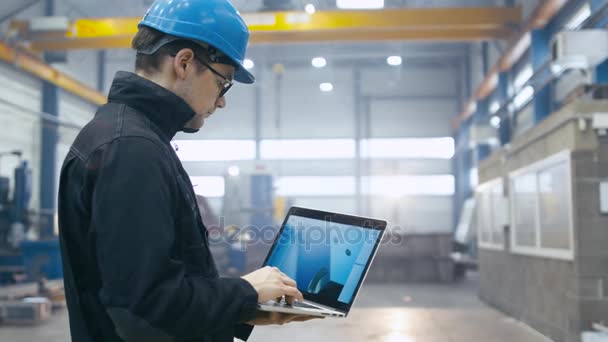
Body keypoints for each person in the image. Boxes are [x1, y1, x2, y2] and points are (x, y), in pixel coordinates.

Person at [57, 0, 314, 341]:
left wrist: (245, 311)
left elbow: (152, 294)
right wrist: (246, 292)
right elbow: (147, 306)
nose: (222, 101)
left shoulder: (129, 137)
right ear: (184, 62)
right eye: (224, 82)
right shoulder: (131, 150)